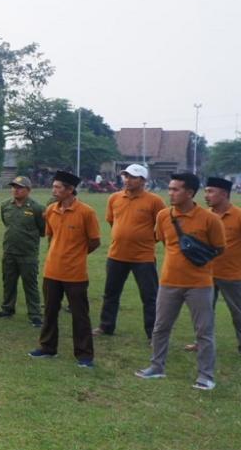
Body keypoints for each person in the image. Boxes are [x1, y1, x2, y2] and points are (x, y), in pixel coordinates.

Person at [134, 172, 225, 390]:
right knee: (160, 327)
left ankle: (206, 376)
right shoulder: (164, 216)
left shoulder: (210, 219)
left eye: (176, 189)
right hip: (168, 282)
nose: (170, 193)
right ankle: (157, 367)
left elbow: (219, 248)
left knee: (204, 332)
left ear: (190, 193)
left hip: (200, 284)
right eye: (170, 188)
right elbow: (166, 242)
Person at [28, 171, 101, 368]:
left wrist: (76, 255)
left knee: (80, 315)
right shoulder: (50, 210)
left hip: (75, 273)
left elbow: (94, 241)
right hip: (52, 270)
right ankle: (47, 347)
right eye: (53, 187)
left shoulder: (86, 212)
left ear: (70, 190)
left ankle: (85, 355)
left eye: (58, 187)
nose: (54, 190)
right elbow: (51, 236)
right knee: (50, 311)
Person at [94, 164, 165, 339]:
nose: (127, 180)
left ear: (142, 180)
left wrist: (145, 239)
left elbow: (162, 225)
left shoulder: (154, 201)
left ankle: (153, 334)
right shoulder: (114, 198)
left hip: (144, 257)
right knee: (111, 293)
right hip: (117, 254)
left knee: (149, 297)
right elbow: (112, 221)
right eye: (125, 176)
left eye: (132, 177)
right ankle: (106, 326)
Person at [185, 177, 241, 354]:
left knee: (238, 313)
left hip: (232, 275)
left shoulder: (238, 216)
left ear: (224, 194)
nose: (206, 195)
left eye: (211, 191)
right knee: (204, 312)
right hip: (206, 273)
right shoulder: (204, 216)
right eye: (206, 191)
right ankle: (202, 342)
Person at [0, 176, 45, 326]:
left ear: (28, 190)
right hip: (9, 251)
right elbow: (7, 223)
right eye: (14, 187)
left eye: (20, 187)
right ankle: (7, 308)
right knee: (8, 282)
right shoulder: (5, 205)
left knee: (30, 284)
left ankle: (35, 314)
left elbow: (43, 230)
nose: (15, 190)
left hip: (28, 253)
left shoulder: (37, 208)